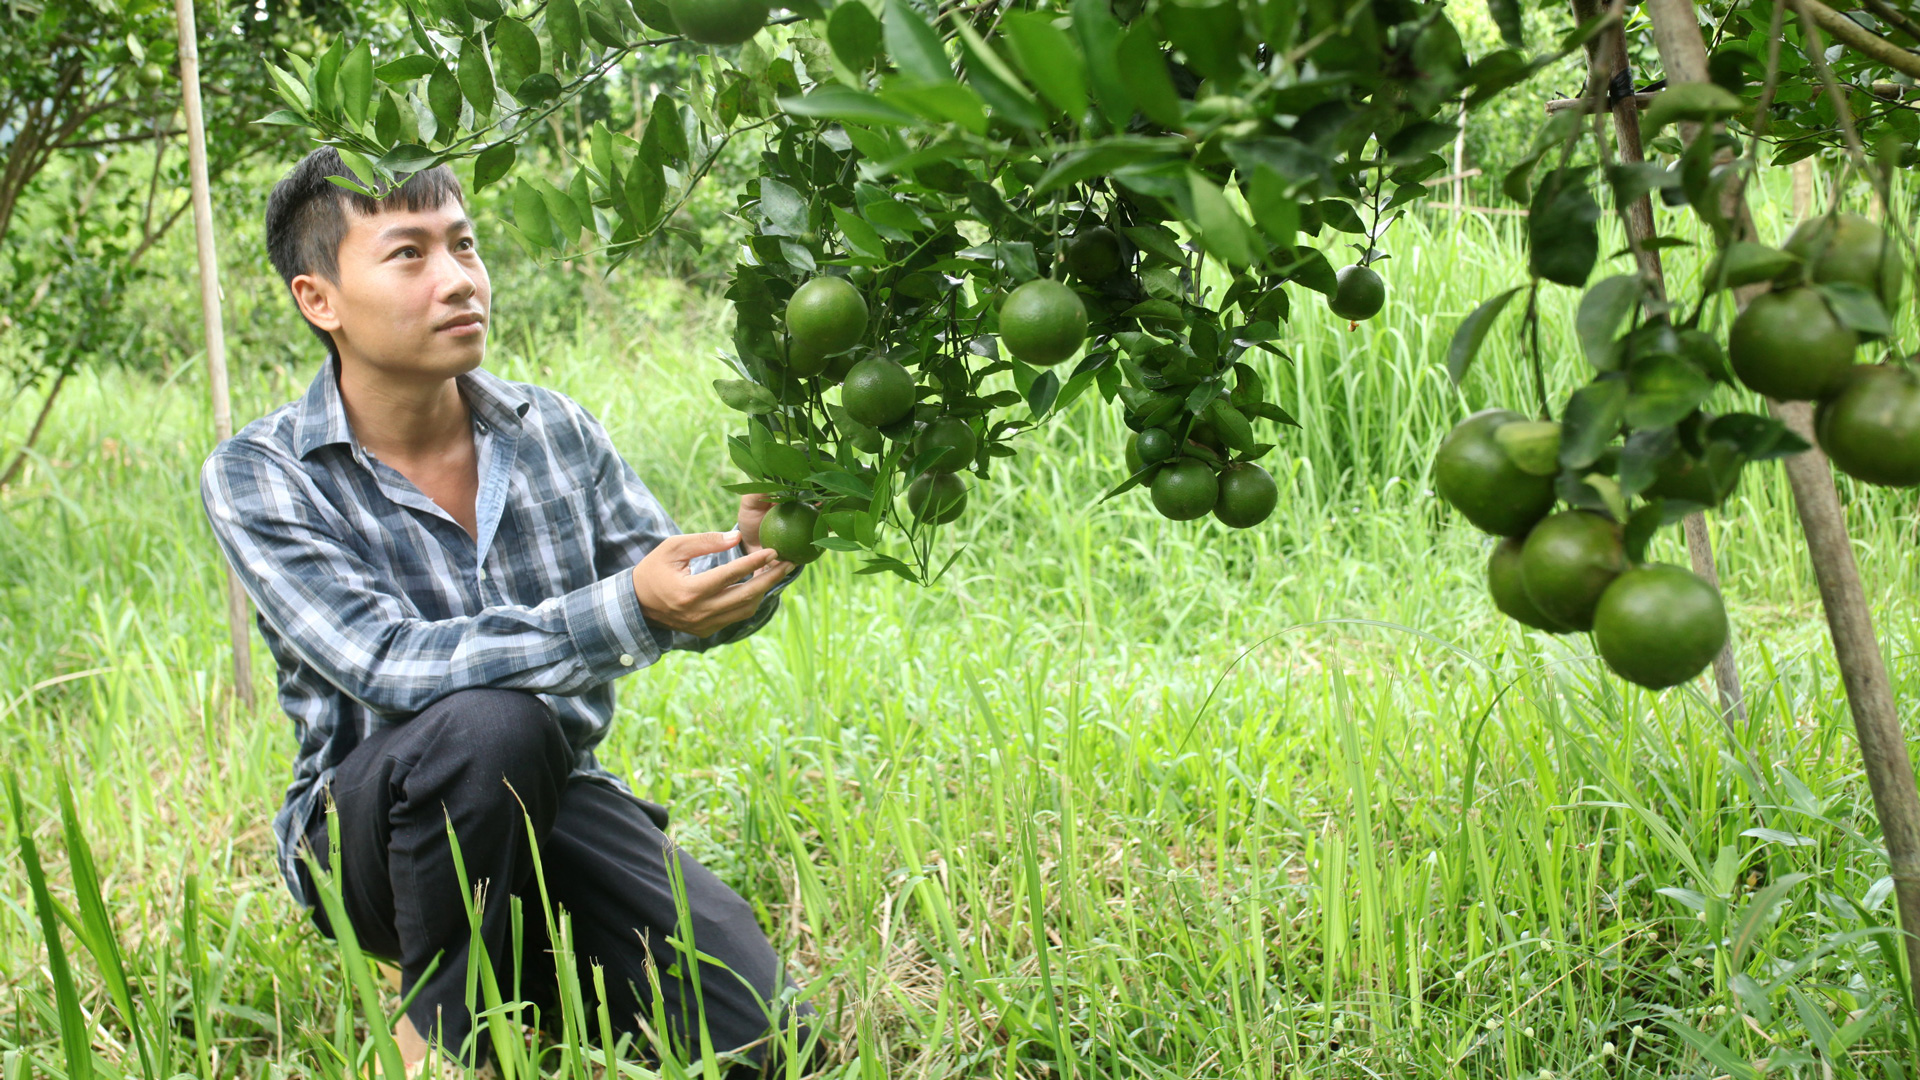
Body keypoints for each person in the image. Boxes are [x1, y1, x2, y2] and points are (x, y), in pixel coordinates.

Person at [199, 147, 819, 1076]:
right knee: (491, 724)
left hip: (554, 802)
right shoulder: (264, 473)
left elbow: (664, 593)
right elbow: (384, 661)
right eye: (409, 255)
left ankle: (533, 974)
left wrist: (749, 563)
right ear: (318, 300)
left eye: (465, 245)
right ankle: (444, 1043)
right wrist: (634, 608)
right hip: (367, 836)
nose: (458, 280)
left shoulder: (553, 429)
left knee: (762, 1041)